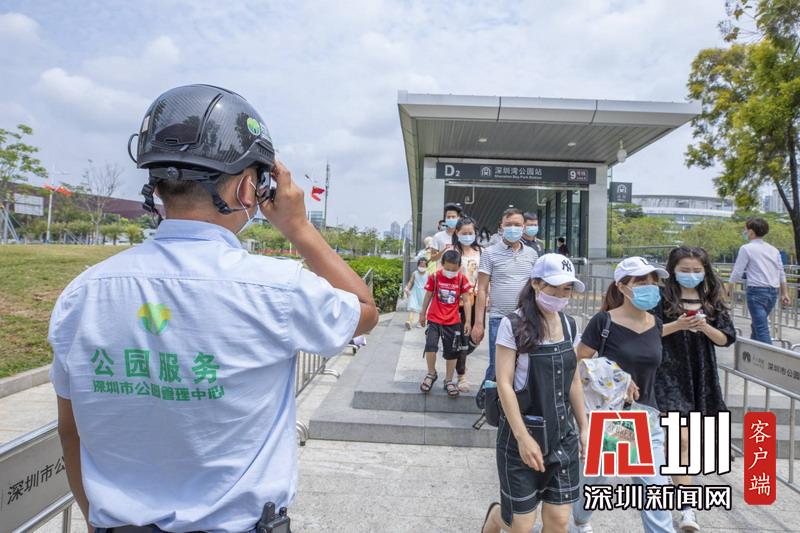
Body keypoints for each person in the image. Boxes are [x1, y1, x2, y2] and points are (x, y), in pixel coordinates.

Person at [49, 84, 379, 533]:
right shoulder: (279, 289)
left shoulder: (82, 294)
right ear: (248, 188)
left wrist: (98, 522)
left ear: (156, 184)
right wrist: (299, 227)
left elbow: (70, 430)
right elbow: (364, 309)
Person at [481, 254, 589, 533]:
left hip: (562, 437)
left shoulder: (569, 325)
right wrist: (522, 438)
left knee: (559, 520)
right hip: (523, 436)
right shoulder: (513, 324)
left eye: (567, 289)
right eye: (555, 288)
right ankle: (496, 516)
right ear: (536, 284)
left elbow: (573, 380)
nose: (561, 295)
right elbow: (504, 383)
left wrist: (584, 426)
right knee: (521, 525)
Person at [572, 256, 673, 533]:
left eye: (653, 281)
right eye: (641, 281)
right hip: (614, 419)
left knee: (656, 491)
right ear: (621, 286)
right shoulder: (603, 322)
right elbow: (577, 365)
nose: (649, 286)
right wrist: (619, 377)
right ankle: (578, 521)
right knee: (595, 483)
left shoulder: (656, 323)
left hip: (648, 416)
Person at [656, 246, 736, 532]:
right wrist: (678, 325)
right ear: (673, 270)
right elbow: (647, 331)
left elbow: (726, 338)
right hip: (667, 374)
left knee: (684, 442)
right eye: (684, 270)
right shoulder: (661, 298)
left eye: (696, 270)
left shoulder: (711, 299)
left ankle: (683, 503)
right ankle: (679, 503)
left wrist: (703, 327)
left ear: (705, 271)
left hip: (700, 374)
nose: (690, 275)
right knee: (679, 438)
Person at [471, 208, 538, 381]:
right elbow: (482, 289)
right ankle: (489, 397)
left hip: (526, 318)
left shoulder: (532, 254)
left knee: (524, 366)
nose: (513, 228)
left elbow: (536, 288)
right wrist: (478, 323)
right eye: (509, 224)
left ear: (523, 227)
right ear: (501, 226)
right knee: (497, 367)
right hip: (499, 319)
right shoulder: (489, 253)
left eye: (517, 224)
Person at [419, 249, 472, 397]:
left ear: (459, 267)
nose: (450, 272)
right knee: (430, 346)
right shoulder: (435, 277)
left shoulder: (461, 279)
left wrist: (468, 321)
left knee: (452, 352)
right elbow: (428, 296)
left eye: (454, 270)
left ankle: (448, 380)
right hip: (434, 319)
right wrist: (422, 314)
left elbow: (467, 301)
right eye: (447, 269)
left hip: (453, 321)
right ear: (442, 264)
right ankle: (431, 373)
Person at [728, 217, 790, 344]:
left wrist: (728, 287)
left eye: (745, 230)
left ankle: (770, 354)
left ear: (751, 232)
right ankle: (753, 353)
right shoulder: (774, 250)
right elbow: (781, 273)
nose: (744, 232)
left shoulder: (746, 248)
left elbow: (737, 271)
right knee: (757, 326)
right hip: (772, 293)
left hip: (756, 292)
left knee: (761, 328)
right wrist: (785, 293)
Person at [452, 216, 482, 392]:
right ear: (457, 233)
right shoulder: (453, 251)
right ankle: (461, 375)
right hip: (459, 301)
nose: (467, 236)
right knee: (463, 337)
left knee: (477, 335)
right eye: (464, 233)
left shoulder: (482, 252)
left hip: (478, 299)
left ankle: (455, 355)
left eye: (471, 232)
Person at [403, 258, 429, 330]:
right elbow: (411, 282)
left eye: (423, 265)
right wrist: (407, 288)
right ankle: (409, 321)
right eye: (420, 265)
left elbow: (430, 284)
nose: (422, 267)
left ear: (426, 266)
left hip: (424, 293)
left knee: (422, 309)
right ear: (418, 265)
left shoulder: (428, 274)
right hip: (414, 292)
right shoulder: (415, 273)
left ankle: (420, 322)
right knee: (412, 307)